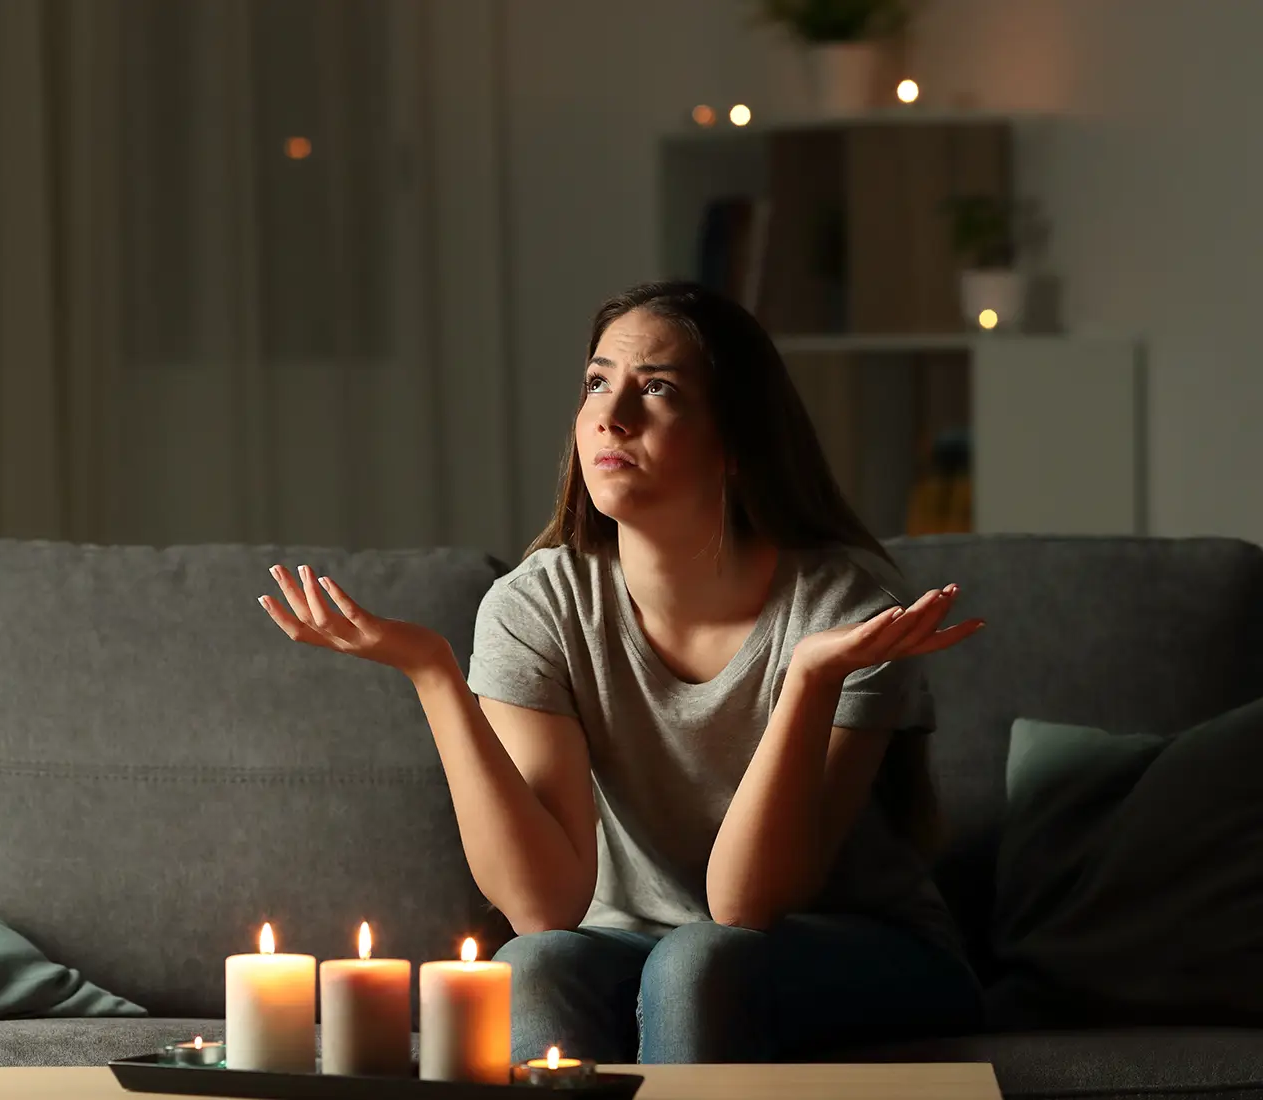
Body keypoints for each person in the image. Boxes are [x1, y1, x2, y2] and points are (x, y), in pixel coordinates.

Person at [258, 280, 986, 1064]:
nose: (612, 414)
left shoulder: (844, 610)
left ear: (735, 440)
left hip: (856, 950)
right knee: (529, 969)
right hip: (633, 947)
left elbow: (747, 904)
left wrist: (807, 682)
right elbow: (545, 905)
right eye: (598, 382)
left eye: (659, 389)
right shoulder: (536, 605)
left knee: (700, 962)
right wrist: (434, 674)